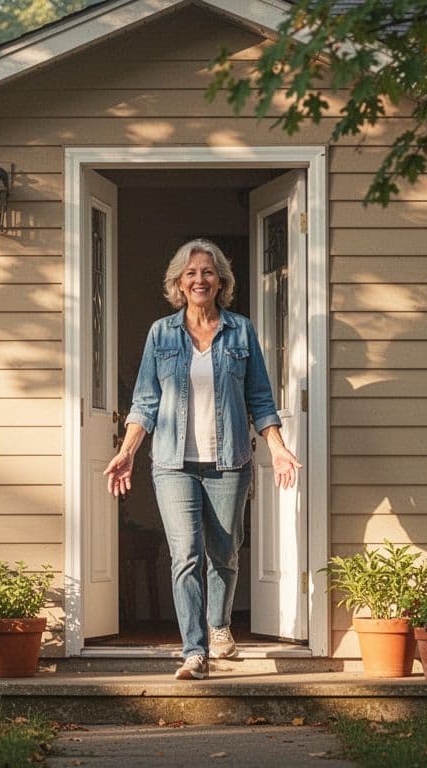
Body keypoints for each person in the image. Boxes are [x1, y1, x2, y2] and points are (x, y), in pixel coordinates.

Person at [104, 238, 302, 681]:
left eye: (208, 272)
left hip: (229, 462)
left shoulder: (242, 331)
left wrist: (277, 446)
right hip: (173, 463)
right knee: (186, 555)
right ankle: (195, 652)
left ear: (221, 282)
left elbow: (260, 398)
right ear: (178, 282)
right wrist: (126, 451)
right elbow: (145, 401)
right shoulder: (161, 333)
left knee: (225, 554)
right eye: (191, 273)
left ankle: (218, 625)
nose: (199, 279)